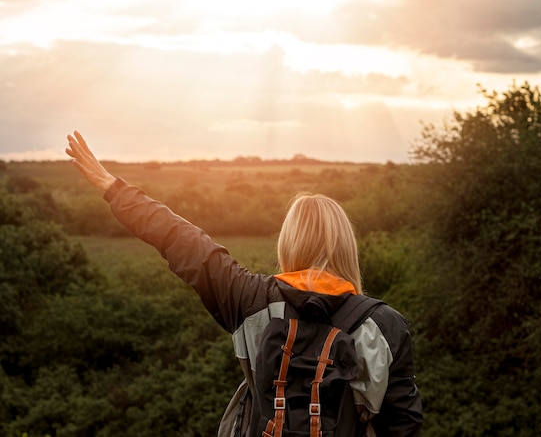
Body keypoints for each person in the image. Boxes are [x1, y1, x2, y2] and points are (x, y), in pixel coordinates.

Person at [65, 130, 424, 436]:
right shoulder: (386, 326)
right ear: (349, 246)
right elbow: (403, 425)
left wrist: (114, 188)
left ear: (288, 242)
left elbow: (184, 241)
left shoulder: (250, 299)